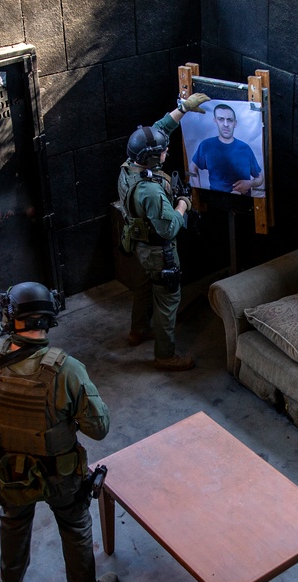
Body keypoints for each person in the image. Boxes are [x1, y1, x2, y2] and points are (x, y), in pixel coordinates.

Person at [0, 281, 118, 582]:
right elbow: (99, 428)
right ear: (50, 318)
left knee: (13, 520)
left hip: (8, 470)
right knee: (75, 526)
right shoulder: (67, 371)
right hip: (60, 474)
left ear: (11, 318)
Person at [117, 92, 210, 372]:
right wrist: (183, 204)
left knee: (144, 287)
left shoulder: (129, 167)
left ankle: (137, 331)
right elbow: (169, 228)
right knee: (168, 301)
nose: (166, 151)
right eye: (162, 151)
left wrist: (183, 108)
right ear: (152, 158)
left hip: (140, 246)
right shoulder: (151, 191)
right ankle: (165, 355)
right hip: (159, 251)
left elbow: (157, 130)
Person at [188, 103, 263, 195]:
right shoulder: (206, 145)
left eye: (230, 120)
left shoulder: (245, 148)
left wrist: (250, 183)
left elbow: (260, 178)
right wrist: (198, 192)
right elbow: (192, 168)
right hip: (216, 204)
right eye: (221, 119)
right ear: (215, 120)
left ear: (235, 123)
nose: (226, 124)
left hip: (244, 205)